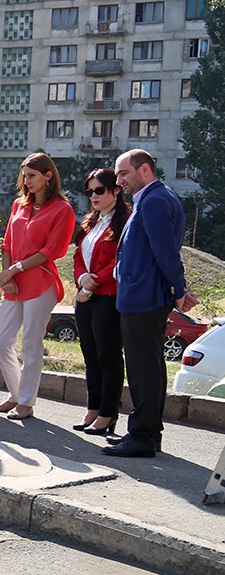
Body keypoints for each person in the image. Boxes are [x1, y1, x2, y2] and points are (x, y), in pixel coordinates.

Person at [104, 149, 199, 458]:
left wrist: (178, 290)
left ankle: (142, 437)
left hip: (144, 298)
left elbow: (166, 253)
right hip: (142, 295)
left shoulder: (155, 200)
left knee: (143, 369)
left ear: (144, 170)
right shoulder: (154, 197)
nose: (119, 182)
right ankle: (148, 434)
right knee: (151, 367)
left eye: (123, 174)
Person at [0, 153, 76, 420]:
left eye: (32, 176)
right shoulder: (19, 205)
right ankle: (16, 395)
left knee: (31, 343)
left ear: (48, 176)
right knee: (1, 343)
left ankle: (26, 403)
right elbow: (7, 243)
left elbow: (54, 249)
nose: (26, 181)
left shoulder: (63, 210)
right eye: (24, 176)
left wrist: (16, 269)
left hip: (40, 281)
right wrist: (9, 275)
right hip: (14, 281)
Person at [70, 168, 129, 436]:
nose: (93, 196)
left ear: (116, 190)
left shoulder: (127, 220)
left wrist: (94, 283)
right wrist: (82, 278)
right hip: (85, 295)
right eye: (89, 191)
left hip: (109, 295)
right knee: (90, 357)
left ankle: (108, 414)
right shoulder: (91, 222)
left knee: (108, 357)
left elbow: (122, 260)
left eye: (99, 190)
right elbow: (78, 257)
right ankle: (93, 409)